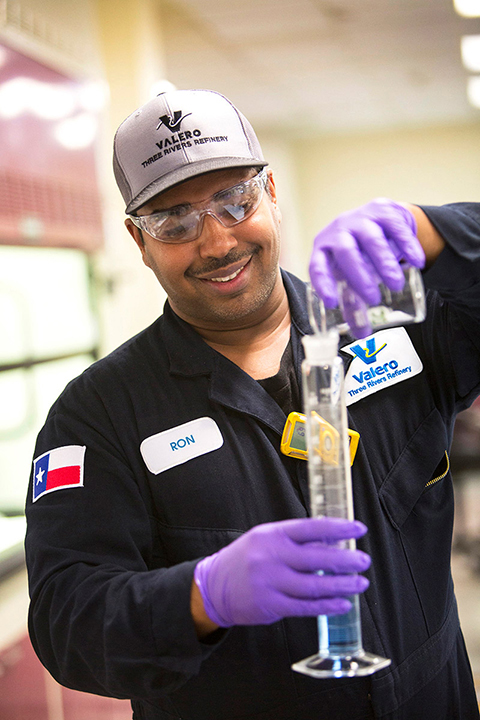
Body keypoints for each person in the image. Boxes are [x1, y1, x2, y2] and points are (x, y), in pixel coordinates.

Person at [25, 89, 480, 720]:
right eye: (174, 220)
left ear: (270, 191)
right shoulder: (98, 413)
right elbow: (66, 624)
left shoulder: (397, 330)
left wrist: (439, 232)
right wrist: (199, 597)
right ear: (138, 239)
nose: (215, 242)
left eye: (233, 201)